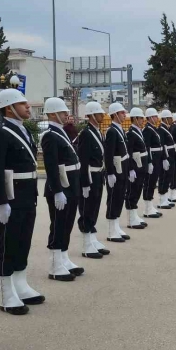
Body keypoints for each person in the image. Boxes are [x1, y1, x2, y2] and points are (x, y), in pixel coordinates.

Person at [0, 88, 49, 317]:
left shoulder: (23, 130)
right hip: (10, 198)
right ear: (8, 108)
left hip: (26, 195)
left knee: (23, 242)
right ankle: (6, 293)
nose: (28, 107)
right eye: (22, 104)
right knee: (8, 244)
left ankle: (20, 285)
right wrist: (1, 201)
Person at [40, 97, 84, 279]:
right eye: (63, 111)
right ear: (52, 114)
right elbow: (51, 166)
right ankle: (55, 265)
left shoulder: (61, 132)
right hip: (61, 187)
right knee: (58, 224)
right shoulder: (50, 135)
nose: (67, 114)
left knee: (67, 223)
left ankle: (64, 258)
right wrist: (57, 191)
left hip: (70, 185)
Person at [75, 102, 109, 259]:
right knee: (87, 210)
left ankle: (93, 239)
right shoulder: (86, 134)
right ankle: (87, 245)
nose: (102, 115)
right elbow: (83, 160)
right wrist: (85, 183)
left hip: (98, 175)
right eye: (100, 113)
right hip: (90, 176)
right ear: (91, 116)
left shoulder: (98, 132)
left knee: (94, 208)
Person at [104, 102, 131, 242]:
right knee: (113, 199)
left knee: (120, 198)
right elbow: (108, 154)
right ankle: (111, 230)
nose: (124, 115)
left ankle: (116, 226)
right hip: (116, 170)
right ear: (114, 115)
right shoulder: (111, 131)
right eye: (121, 113)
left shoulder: (120, 129)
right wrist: (110, 172)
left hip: (123, 169)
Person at [125, 108, 150, 230]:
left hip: (141, 166)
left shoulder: (139, 131)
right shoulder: (130, 133)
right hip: (135, 166)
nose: (142, 121)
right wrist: (130, 169)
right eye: (140, 118)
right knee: (132, 192)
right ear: (134, 119)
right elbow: (128, 153)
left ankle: (134, 215)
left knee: (138, 190)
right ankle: (131, 219)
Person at [142, 108, 164, 219]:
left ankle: (150, 205)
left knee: (153, 182)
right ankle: (147, 208)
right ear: (150, 117)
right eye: (155, 116)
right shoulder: (147, 130)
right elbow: (147, 147)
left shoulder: (153, 129)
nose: (157, 118)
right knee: (149, 183)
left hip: (157, 159)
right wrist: (149, 162)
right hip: (153, 159)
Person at [157, 110, 176, 208]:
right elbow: (163, 145)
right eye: (170, 118)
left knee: (168, 177)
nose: (171, 120)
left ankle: (165, 198)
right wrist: (164, 158)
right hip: (166, 156)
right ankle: (161, 199)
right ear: (165, 119)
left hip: (170, 156)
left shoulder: (166, 128)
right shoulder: (161, 129)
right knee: (164, 177)